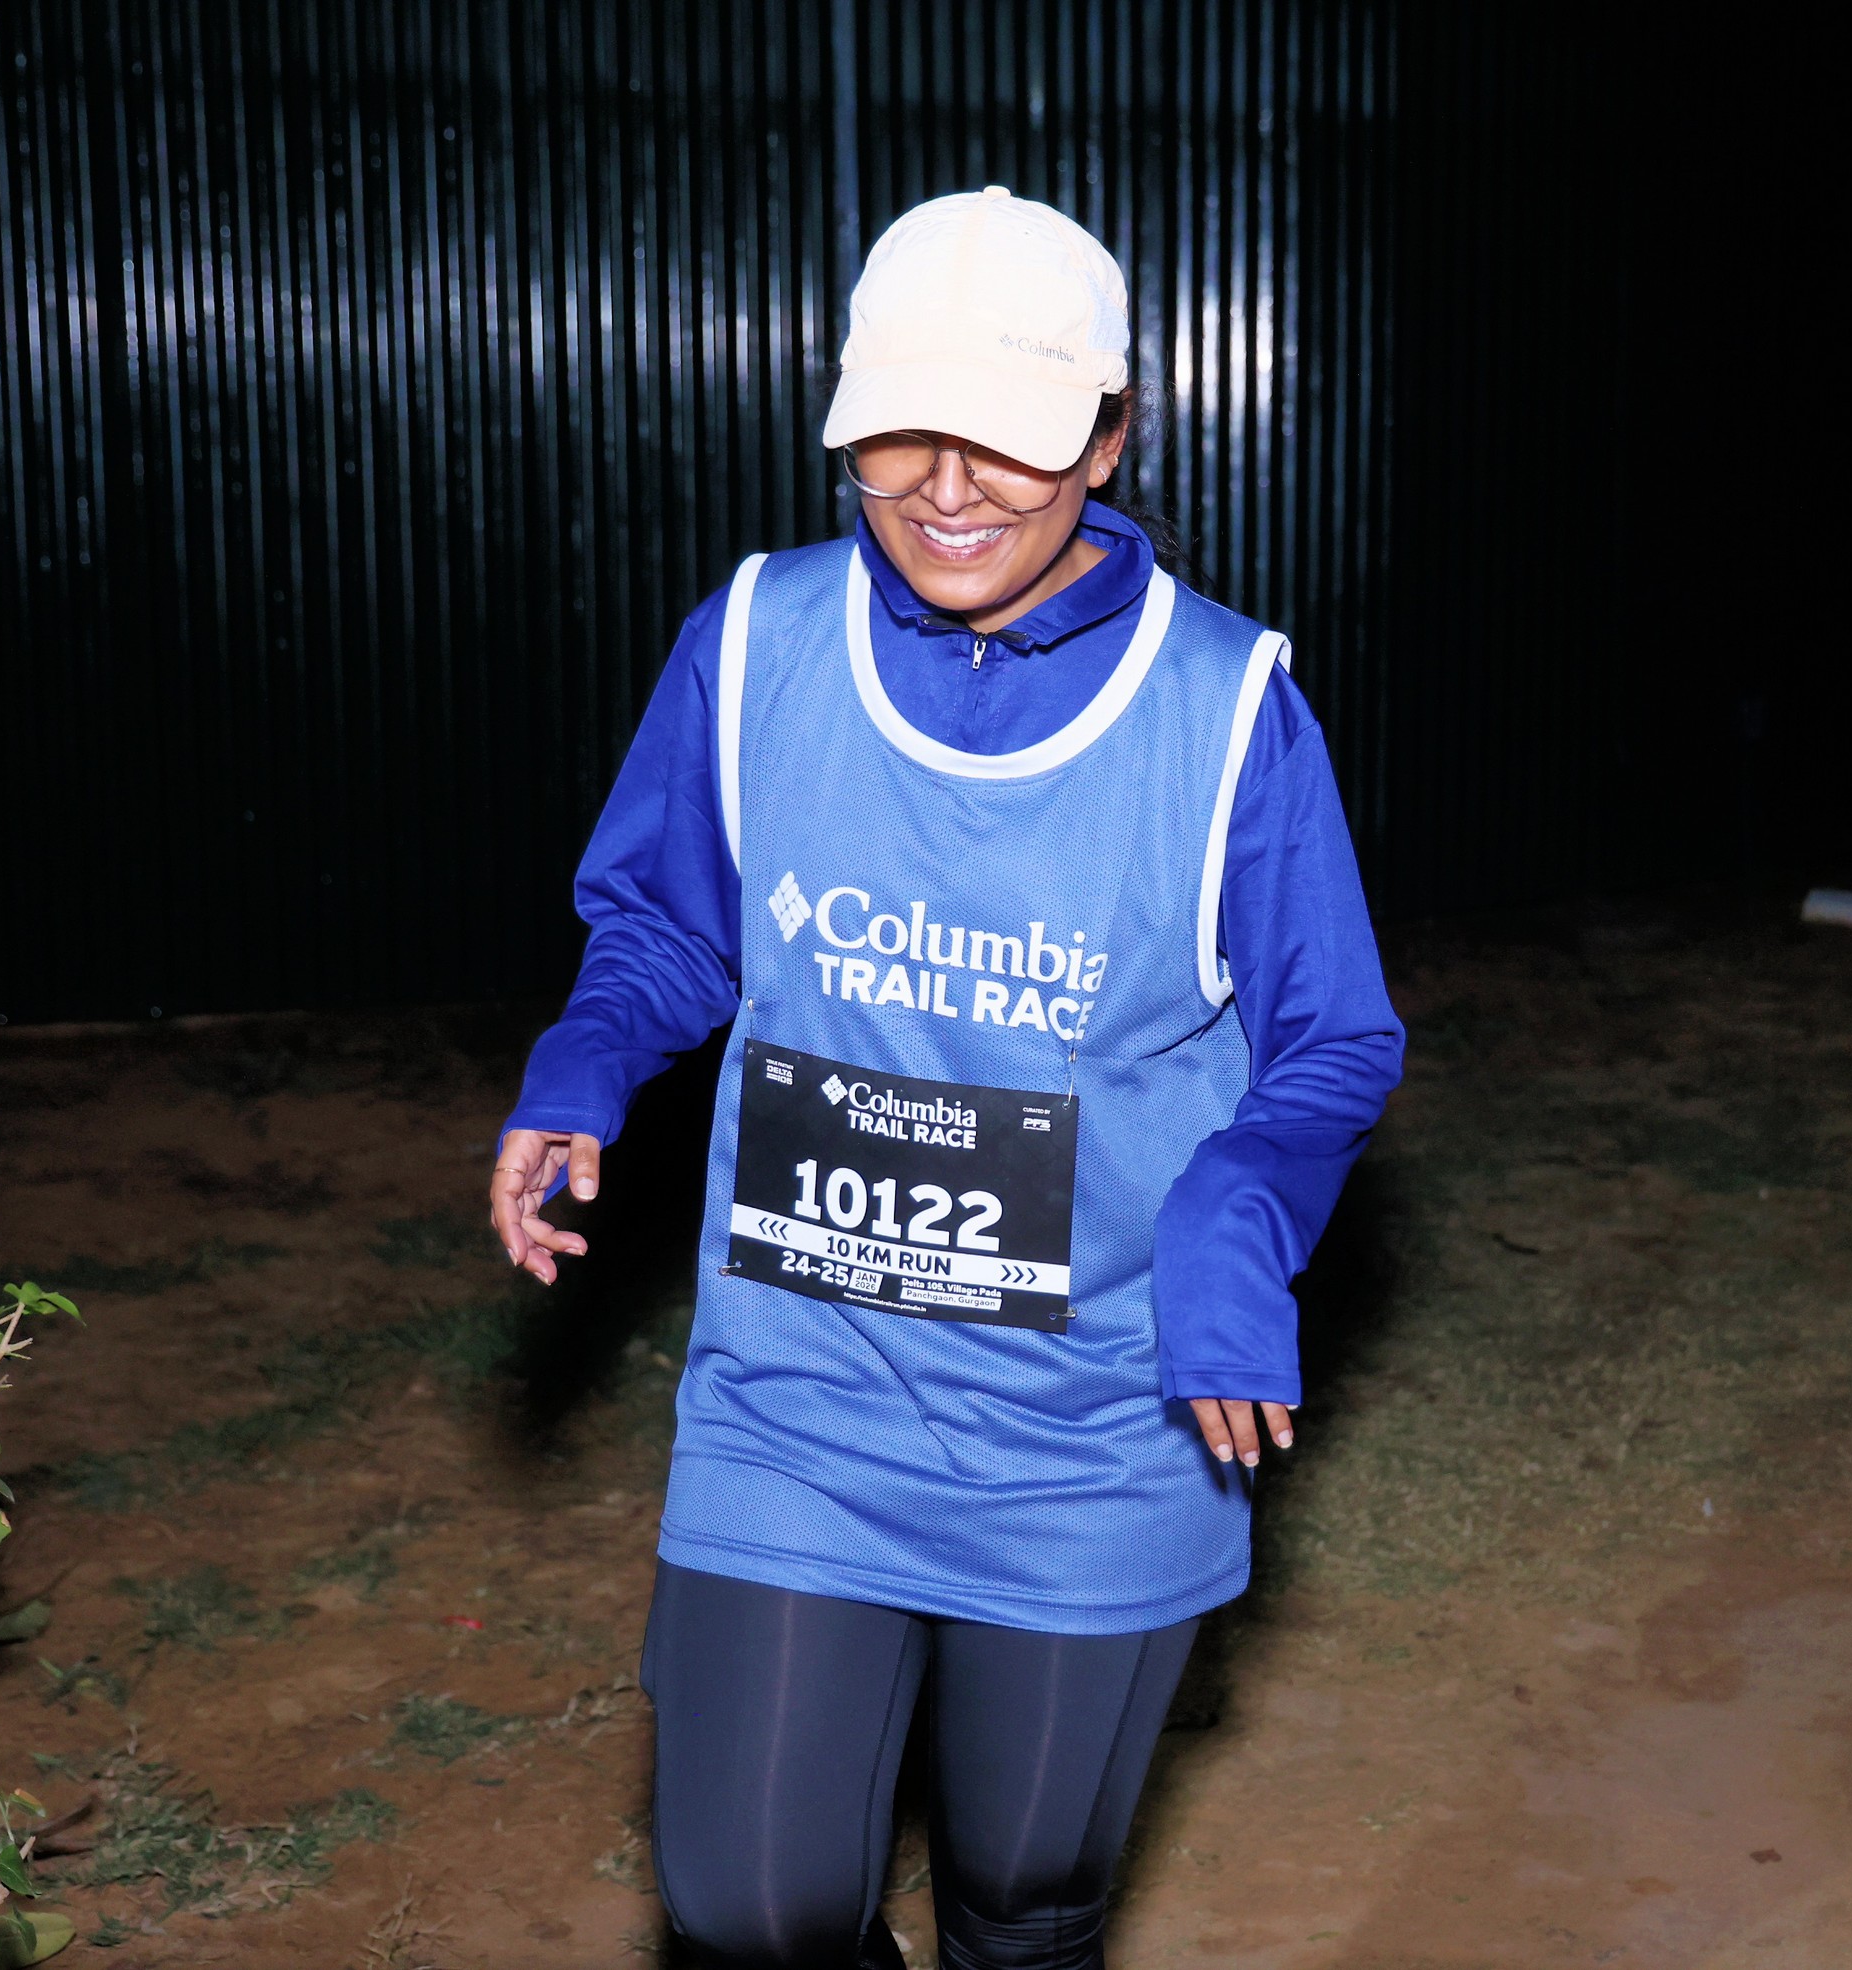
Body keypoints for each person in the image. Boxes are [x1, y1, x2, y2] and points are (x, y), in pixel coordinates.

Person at [487, 187, 1403, 1970]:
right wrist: (586, 1061)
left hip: (1096, 1417)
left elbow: (1333, 1038)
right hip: (803, 1386)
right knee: (751, 1908)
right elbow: (669, 922)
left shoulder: (1224, 708)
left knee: (1024, 1893)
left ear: (1112, 437)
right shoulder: (759, 640)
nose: (949, 484)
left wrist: (1235, 1226)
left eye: (1011, 429)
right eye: (903, 429)